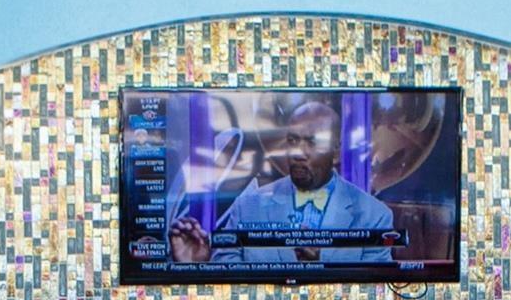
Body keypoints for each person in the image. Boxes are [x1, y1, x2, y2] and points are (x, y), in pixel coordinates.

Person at [168, 101, 393, 265]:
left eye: (312, 143)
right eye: (292, 140)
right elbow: (228, 282)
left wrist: (321, 266)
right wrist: (197, 266)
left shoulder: (373, 216)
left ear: (335, 153)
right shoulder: (247, 206)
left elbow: (376, 293)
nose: (298, 153)